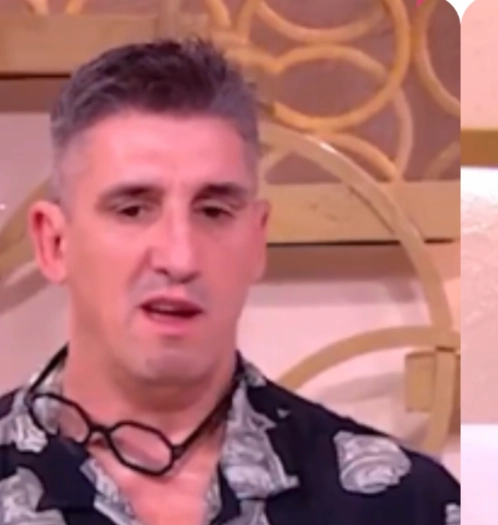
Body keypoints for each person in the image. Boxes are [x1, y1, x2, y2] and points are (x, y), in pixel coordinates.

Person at [0, 38, 460, 524]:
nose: (180, 258)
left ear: (257, 241)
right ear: (54, 243)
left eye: (214, 211)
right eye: (132, 209)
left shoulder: (405, 505)